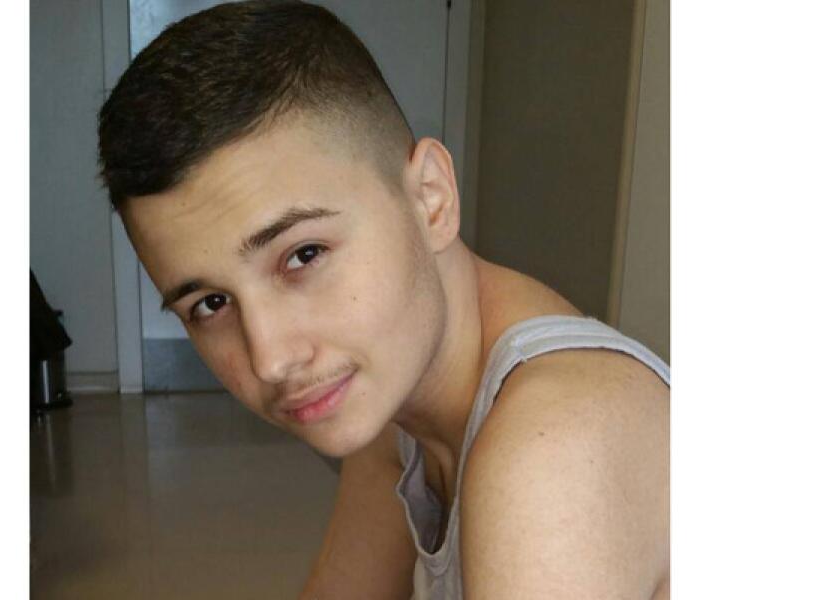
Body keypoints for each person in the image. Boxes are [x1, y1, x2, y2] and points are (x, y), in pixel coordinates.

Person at [97, 1, 670, 598]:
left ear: (432, 198)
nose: (271, 359)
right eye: (211, 304)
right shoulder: (394, 395)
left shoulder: (554, 451)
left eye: (304, 254)